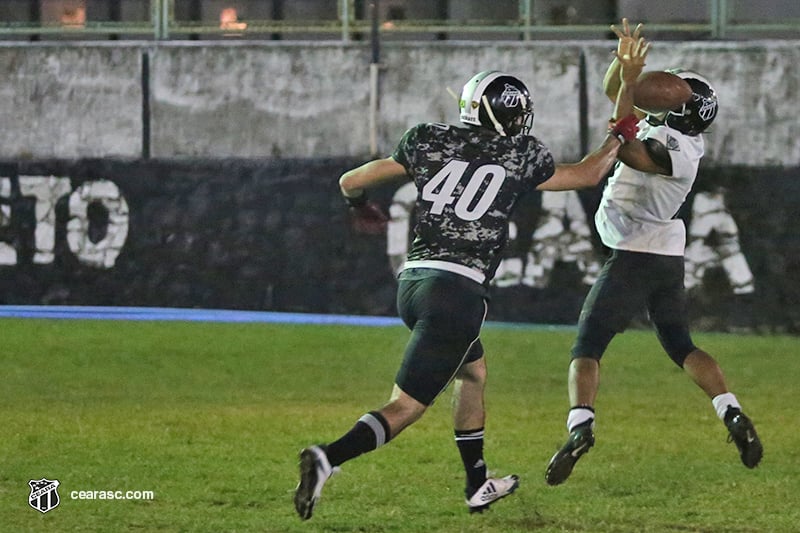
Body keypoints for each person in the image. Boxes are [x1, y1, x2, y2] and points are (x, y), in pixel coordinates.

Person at [294, 41, 647, 520]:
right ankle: (327, 458)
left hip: (414, 283)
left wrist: (360, 209)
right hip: (457, 293)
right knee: (406, 406)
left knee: (473, 372)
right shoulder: (519, 155)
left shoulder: (427, 139)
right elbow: (588, 174)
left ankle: (478, 483)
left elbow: (351, 180)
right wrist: (622, 127)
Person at [544, 19, 763, 487]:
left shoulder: (675, 149)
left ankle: (579, 427)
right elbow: (618, 97)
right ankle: (733, 413)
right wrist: (622, 66)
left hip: (635, 254)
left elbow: (621, 145)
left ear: (682, 113)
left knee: (587, 347)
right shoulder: (680, 134)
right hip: (663, 255)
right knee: (682, 346)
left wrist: (629, 82)